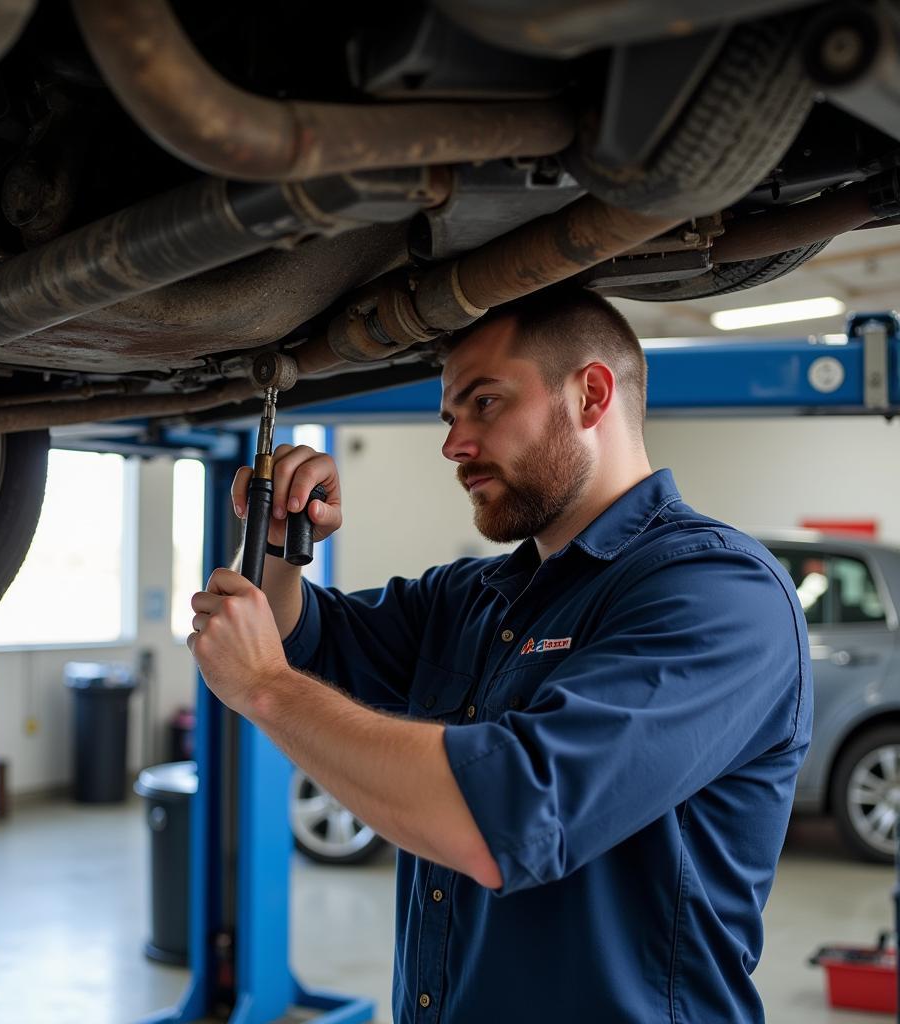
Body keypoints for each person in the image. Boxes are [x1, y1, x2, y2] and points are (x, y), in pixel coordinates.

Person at [187, 285, 812, 1024]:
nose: (453, 443)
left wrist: (263, 688)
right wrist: (279, 549)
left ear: (590, 395)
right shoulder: (477, 596)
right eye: (450, 417)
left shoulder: (720, 595)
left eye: (484, 403)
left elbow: (507, 817)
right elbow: (307, 645)